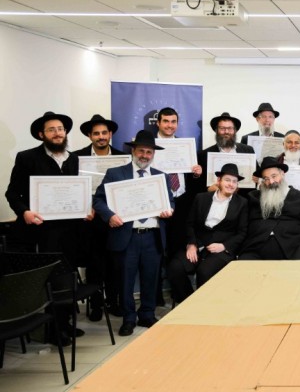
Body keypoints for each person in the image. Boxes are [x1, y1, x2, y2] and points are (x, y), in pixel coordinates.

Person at [93, 130, 175, 336]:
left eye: (149, 152)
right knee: (125, 280)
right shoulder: (115, 173)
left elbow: (170, 201)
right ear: (133, 151)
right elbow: (98, 200)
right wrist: (109, 216)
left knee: (150, 278)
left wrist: (170, 210)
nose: (144, 155)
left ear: (153, 154)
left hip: (152, 236)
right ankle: (128, 318)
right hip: (126, 236)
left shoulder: (161, 177)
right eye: (141, 151)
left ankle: (147, 314)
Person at [166, 163, 248, 305]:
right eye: (227, 180)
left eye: (234, 181)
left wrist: (224, 246)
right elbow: (190, 223)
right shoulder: (201, 198)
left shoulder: (242, 203)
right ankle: (189, 303)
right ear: (219, 181)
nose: (231, 184)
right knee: (175, 268)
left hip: (221, 250)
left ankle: (205, 307)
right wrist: (191, 244)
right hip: (198, 245)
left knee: (204, 272)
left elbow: (242, 232)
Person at [5, 111, 83, 258]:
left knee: (68, 268)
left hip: (69, 230)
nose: (57, 133)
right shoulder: (26, 157)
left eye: (60, 129)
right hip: (39, 229)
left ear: (65, 132)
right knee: (45, 269)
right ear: (41, 134)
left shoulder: (73, 158)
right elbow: (12, 193)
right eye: (51, 130)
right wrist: (24, 212)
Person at [74, 114, 124, 319]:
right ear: (89, 136)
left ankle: (113, 302)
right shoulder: (76, 158)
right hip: (91, 220)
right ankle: (95, 305)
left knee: (114, 263)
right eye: (96, 133)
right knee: (94, 265)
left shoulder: (123, 157)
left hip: (115, 219)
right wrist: (84, 207)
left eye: (104, 132)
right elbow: (73, 188)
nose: (101, 136)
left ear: (110, 134)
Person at [154, 107, 202, 306]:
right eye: (165, 121)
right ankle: (155, 294)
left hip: (182, 204)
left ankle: (176, 292)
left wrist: (197, 174)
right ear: (158, 123)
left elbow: (193, 182)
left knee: (177, 249)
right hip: (158, 204)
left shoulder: (186, 147)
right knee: (156, 251)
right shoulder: (150, 147)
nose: (169, 125)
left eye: (173, 121)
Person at [238, 157, 300, 260]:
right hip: (256, 247)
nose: (271, 181)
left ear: (282, 174)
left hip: (294, 248)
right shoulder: (253, 197)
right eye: (266, 178)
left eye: (274, 176)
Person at [198, 112, 255, 193]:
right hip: (215, 198)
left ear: (235, 131)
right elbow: (197, 185)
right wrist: (208, 189)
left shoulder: (248, 151)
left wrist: (257, 178)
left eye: (230, 128)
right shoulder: (203, 155)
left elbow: (257, 176)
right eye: (222, 128)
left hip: (242, 198)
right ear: (216, 131)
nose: (226, 131)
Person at [276, 130, 300, 194]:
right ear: (283, 144)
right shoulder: (276, 161)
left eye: (297, 143)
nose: (293, 145)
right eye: (289, 142)